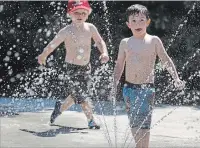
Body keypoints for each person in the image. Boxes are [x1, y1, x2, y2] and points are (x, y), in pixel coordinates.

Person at [113, 4, 185, 148]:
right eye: (133, 21)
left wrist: (175, 78)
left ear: (148, 22)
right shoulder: (125, 43)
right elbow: (120, 64)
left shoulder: (154, 41)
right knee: (134, 124)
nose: (137, 24)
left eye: (141, 20)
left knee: (144, 125)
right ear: (128, 24)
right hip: (129, 89)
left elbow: (166, 59)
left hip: (146, 90)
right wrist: (114, 83)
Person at [37, 0, 109, 129]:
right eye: (76, 12)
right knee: (82, 95)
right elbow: (53, 44)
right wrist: (43, 55)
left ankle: (59, 108)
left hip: (86, 67)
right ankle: (91, 120)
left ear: (88, 14)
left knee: (77, 95)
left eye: (83, 12)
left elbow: (99, 41)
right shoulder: (66, 31)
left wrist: (104, 52)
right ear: (70, 14)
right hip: (72, 68)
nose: (80, 15)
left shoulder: (90, 28)